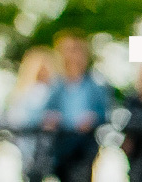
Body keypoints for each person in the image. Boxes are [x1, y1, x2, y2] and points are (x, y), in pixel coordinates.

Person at [40, 32, 111, 182]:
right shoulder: (56, 85)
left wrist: (93, 118)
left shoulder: (95, 84)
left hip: (84, 145)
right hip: (61, 145)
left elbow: (104, 112)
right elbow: (46, 111)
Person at [6, 47, 57, 180]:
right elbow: (16, 118)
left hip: (50, 144)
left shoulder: (55, 91)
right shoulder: (24, 93)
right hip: (28, 143)